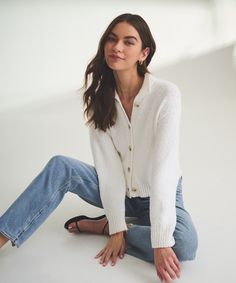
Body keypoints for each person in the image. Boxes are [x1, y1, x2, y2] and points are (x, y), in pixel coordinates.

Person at [0, 13, 198, 283]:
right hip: (117, 189)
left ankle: (103, 226)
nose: (117, 47)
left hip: (159, 193)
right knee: (62, 166)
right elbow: (109, 169)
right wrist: (120, 225)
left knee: (184, 245)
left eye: (129, 42)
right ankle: (2, 235)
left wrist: (158, 239)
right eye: (112, 39)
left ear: (144, 53)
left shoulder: (166, 95)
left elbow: (163, 170)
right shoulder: (98, 100)